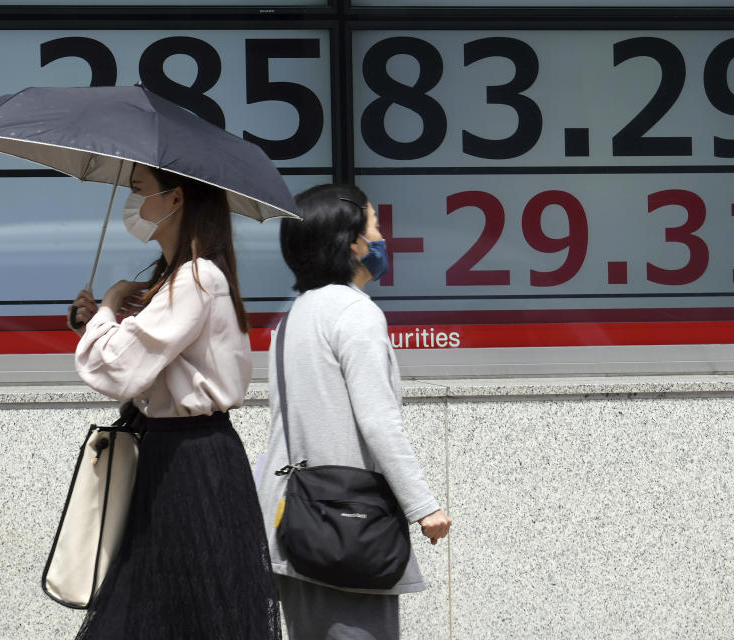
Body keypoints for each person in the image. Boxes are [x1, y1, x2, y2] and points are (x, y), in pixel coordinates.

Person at [67, 163, 281, 640]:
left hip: (188, 461)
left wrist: (107, 307)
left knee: (180, 608)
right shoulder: (180, 279)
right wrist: (101, 321)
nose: (133, 202)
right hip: (182, 454)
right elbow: (136, 364)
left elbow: (119, 370)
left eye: (139, 190)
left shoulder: (195, 278)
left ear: (175, 199)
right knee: (169, 606)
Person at [255, 184, 452, 639]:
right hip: (344, 521)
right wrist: (424, 506)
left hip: (293, 518)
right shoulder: (355, 313)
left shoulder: (293, 317)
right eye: (376, 226)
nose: (382, 237)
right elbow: (379, 421)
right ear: (351, 243)